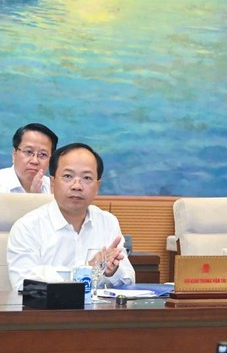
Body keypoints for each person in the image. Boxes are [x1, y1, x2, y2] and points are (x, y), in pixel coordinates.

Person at [7, 143, 135, 291]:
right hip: (44, 313)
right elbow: (23, 286)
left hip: (97, 313)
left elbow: (129, 279)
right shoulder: (27, 227)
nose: (77, 186)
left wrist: (111, 272)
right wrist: (86, 272)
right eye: (68, 176)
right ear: (53, 183)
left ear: (97, 186)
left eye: (86, 178)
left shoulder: (108, 222)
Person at [0, 123, 58, 194]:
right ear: (14, 154)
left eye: (43, 154)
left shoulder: (54, 189)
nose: (35, 161)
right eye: (29, 152)